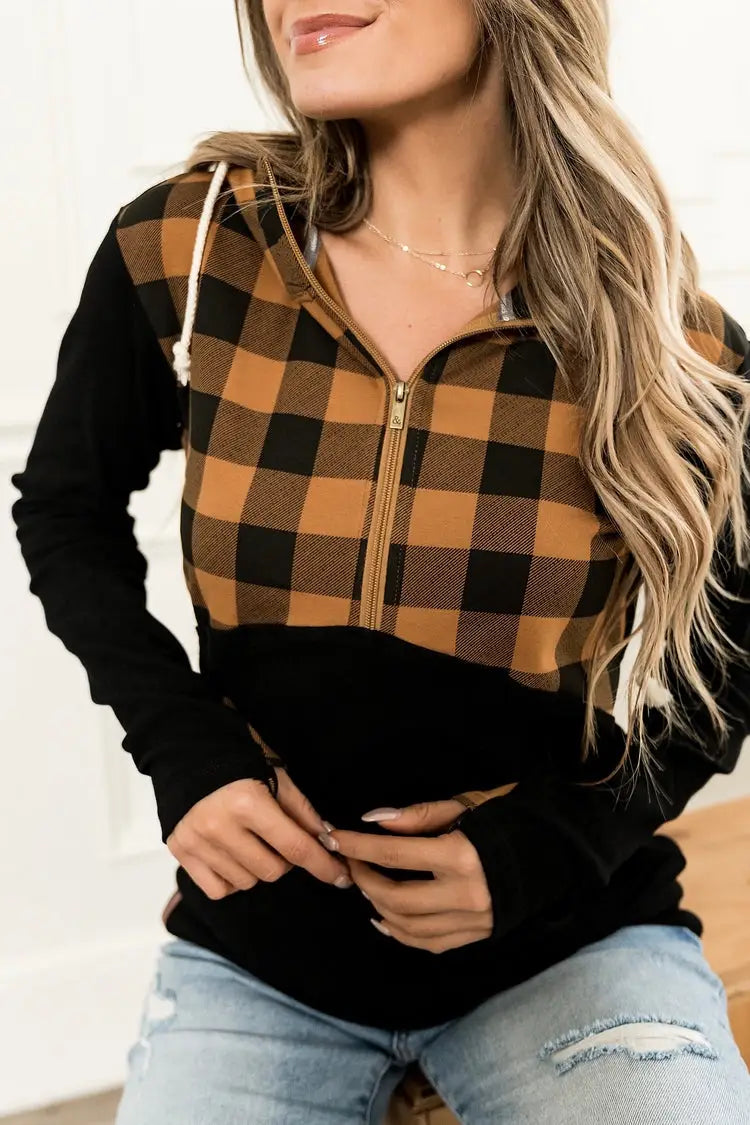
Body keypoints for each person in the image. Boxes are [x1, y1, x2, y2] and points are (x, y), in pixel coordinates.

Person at [10, 1, 750, 1121]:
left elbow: (734, 654)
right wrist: (182, 747)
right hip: (263, 956)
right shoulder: (200, 248)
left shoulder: (668, 341)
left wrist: (554, 846)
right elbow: (66, 508)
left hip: (562, 949)